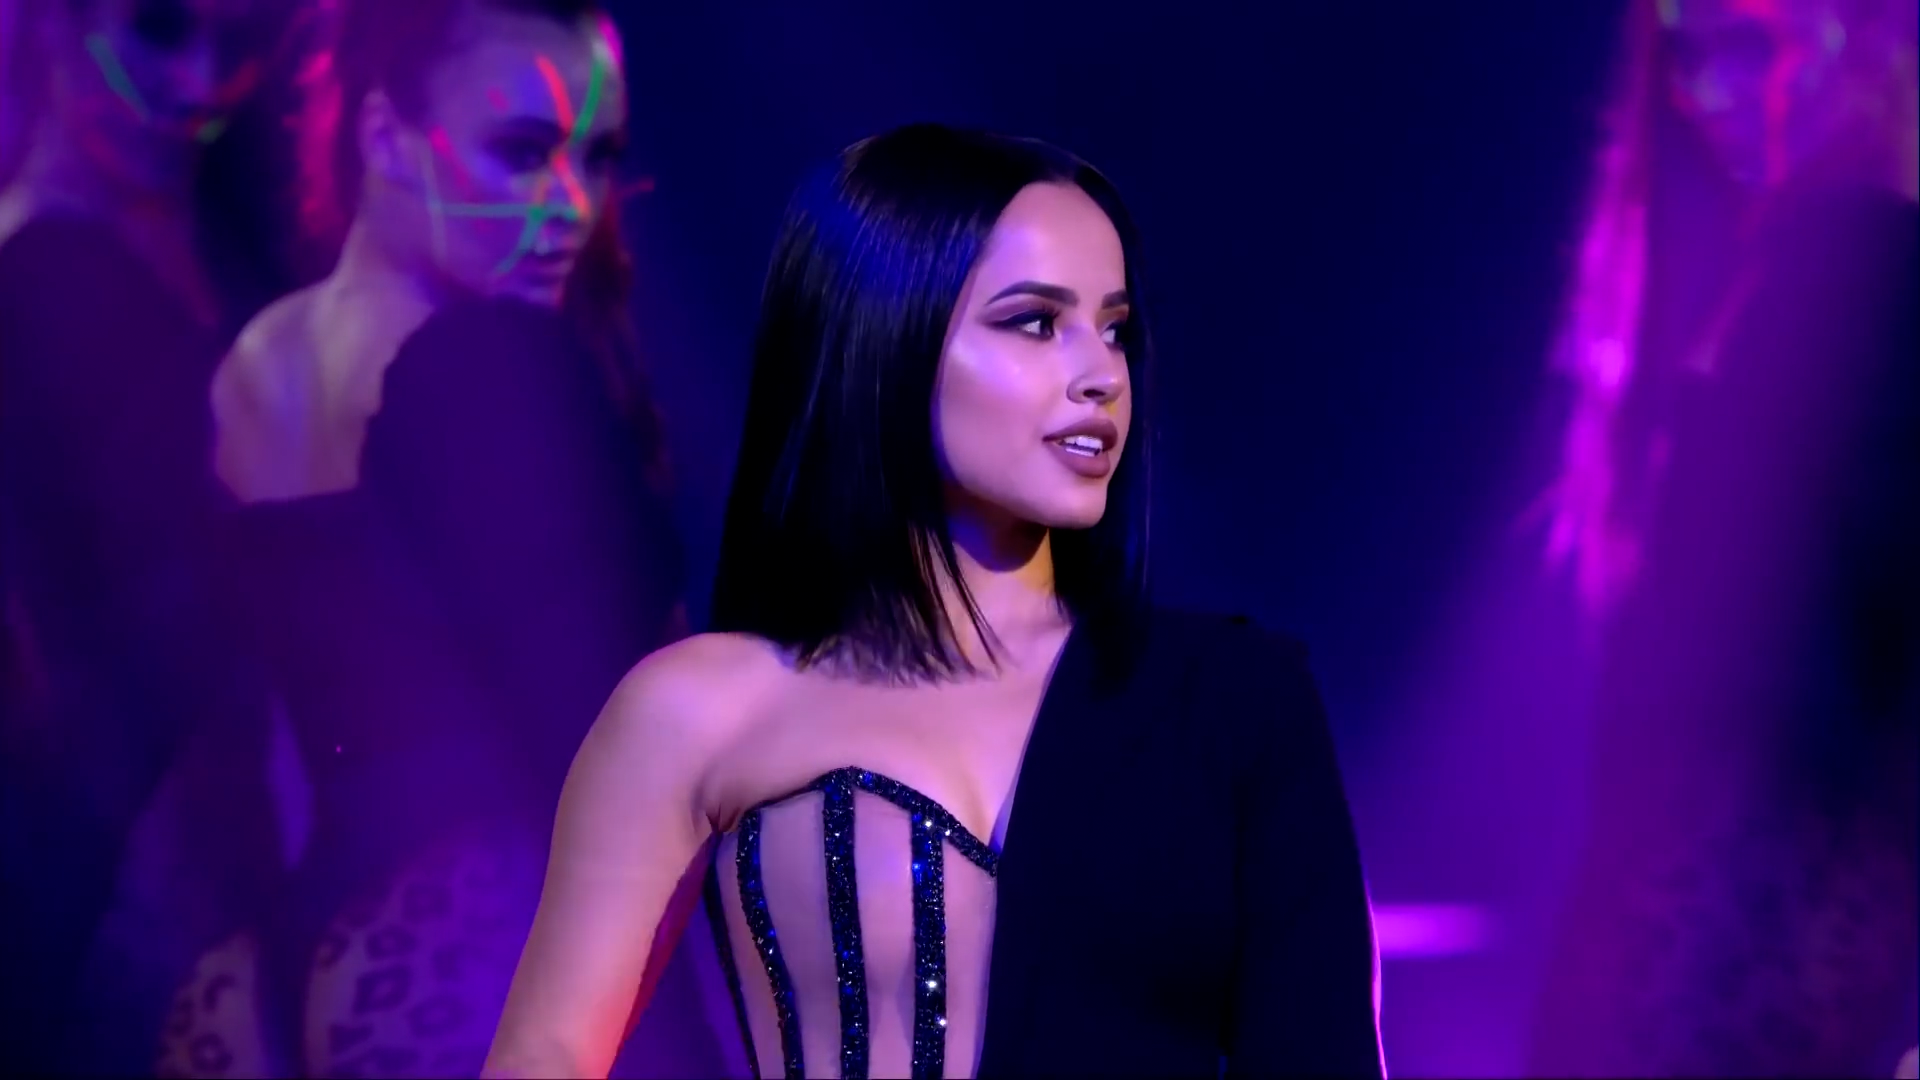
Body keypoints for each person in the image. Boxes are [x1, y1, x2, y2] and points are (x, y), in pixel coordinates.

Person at [483, 123, 1387, 1080]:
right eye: (1035, 322)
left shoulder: (1234, 704)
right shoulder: (696, 711)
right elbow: (544, 1057)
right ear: (883, 340)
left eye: (1115, 329)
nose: (1101, 375)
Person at [200, 0, 725, 1076]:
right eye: (521, 152)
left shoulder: (250, 368)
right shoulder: (488, 361)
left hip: (292, 961)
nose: (571, 204)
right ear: (385, 138)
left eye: (595, 157)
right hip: (495, 945)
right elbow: (617, 741)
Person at [1530, 0, 1918, 1074]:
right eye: (1688, 53)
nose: (1710, 93)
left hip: (1762, 970)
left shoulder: (1867, 277)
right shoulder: (1726, 277)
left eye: (1753, 44)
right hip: (1676, 969)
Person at [0, 0, 298, 1071]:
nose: (198, 86)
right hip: (151, 862)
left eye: (239, 43)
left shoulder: (204, 224)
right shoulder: (49, 277)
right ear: (54, 25)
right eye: (163, 28)